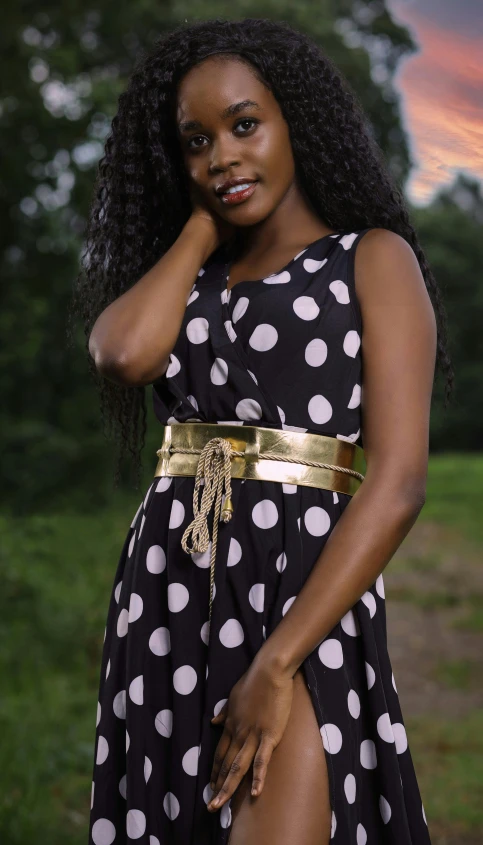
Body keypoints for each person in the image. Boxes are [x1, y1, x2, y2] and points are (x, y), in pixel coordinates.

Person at [73, 16, 452, 845]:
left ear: (297, 122)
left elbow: (397, 480)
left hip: (302, 599)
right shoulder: (190, 275)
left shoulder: (370, 257)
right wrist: (205, 222)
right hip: (171, 594)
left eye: (244, 125)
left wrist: (278, 661)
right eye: (196, 142)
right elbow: (123, 352)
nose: (221, 156)